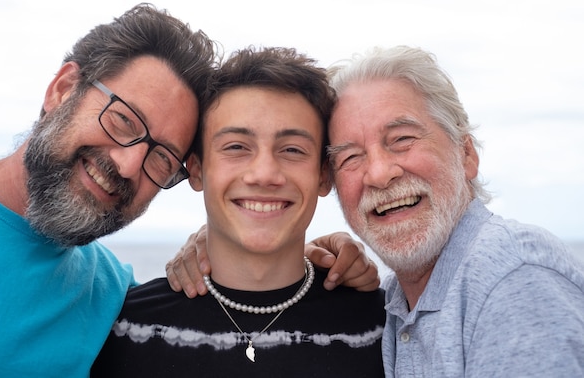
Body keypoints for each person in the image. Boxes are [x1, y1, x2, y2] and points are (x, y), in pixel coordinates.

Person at [169, 45, 584, 376]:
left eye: (401, 139)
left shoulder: (512, 280)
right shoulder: (395, 305)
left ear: (467, 154)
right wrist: (231, 240)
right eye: (350, 157)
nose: (380, 174)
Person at [91, 47, 386, 377]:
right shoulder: (118, 330)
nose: (264, 174)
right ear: (197, 170)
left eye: (292, 149)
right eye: (236, 147)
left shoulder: (385, 328)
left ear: (323, 175)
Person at [0, 3, 217, 377]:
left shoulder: (112, 296)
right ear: (62, 91)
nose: (129, 166)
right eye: (123, 120)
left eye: (161, 158)